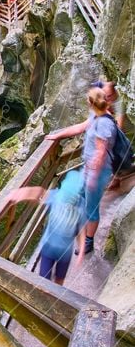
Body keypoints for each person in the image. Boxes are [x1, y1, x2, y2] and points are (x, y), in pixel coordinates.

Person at [45, 87, 116, 255]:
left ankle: (89, 242)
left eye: (87, 100)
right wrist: (57, 135)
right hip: (89, 169)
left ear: (92, 102)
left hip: (97, 173)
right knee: (81, 198)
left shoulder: (105, 123)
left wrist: (92, 177)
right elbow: (79, 128)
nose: (86, 102)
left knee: (91, 207)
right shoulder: (96, 115)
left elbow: (101, 152)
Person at [6, 170, 85, 285]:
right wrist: (20, 193)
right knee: (44, 280)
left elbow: (81, 228)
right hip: (48, 248)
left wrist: (81, 250)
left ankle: (54, 295)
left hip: (65, 253)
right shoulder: (57, 196)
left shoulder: (80, 205)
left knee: (59, 280)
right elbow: (40, 193)